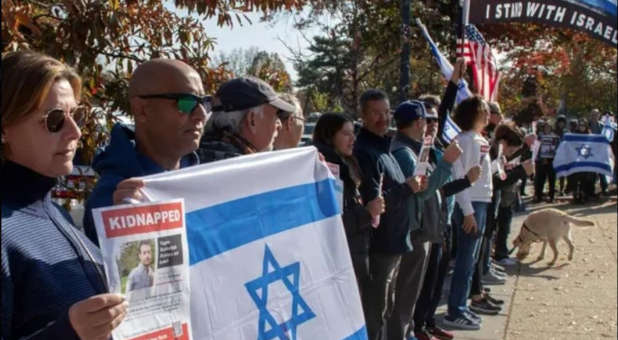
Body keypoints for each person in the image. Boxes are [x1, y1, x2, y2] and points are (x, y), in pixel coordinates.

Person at [2, 50, 127, 340]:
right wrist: (69, 332)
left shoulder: (55, 212)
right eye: (55, 119)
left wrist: (133, 227)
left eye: (77, 115)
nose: (75, 132)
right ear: (5, 128)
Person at [83, 59, 209, 244]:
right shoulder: (113, 199)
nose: (201, 115)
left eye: (205, 103)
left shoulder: (203, 180)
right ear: (142, 110)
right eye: (186, 102)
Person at [353, 89, 426, 340]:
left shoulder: (384, 148)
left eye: (386, 112)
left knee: (384, 310)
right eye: (376, 113)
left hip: (394, 243)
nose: (383, 118)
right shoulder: (364, 151)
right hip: (379, 246)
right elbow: (374, 202)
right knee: (374, 313)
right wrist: (407, 188)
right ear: (363, 115)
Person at [388, 100, 461, 340]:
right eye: (426, 121)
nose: (428, 126)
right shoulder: (405, 153)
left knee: (411, 292)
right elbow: (425, 190)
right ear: (418, 122)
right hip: (413, 231)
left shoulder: (413, 149)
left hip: (419, 228)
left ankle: (408, 331)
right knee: (405, 294)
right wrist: (447, 162)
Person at [312, 112, 385, 326]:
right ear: (329, 135)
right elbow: (334, 220)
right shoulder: (327, 168)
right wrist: (366, 212)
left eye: (353, 134)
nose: (353, 139)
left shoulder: (347, 164)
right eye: (346, 134)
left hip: (356, 251)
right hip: (343, 258)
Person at [443, 96, 493, 330]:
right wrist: (468, 212)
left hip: (477, 202)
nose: (487, 114)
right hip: (472, 204)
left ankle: (460, 305)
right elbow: (462, 177)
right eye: (483, 110)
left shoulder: (476, 139)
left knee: (469, 259)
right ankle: (456, 310)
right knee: (466, 259)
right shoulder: (470, 140)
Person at [197, 76, 295, 163]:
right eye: (275, 115)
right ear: (252, 120)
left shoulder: (189, 157)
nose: (279, 125)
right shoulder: (250, 173)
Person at [534, 121, 559, 203]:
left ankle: (551, 196)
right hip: (540, 161)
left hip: (551, 161)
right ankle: (538, 196)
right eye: (545, 127)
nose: (547, 129)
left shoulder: (555, 137)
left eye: (549, 127)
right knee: (540, 179)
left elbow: (557, 148)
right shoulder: (539, 137)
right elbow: (535, 149)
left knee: (552, 179)